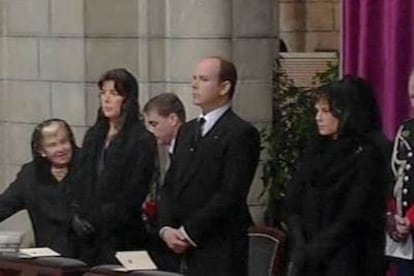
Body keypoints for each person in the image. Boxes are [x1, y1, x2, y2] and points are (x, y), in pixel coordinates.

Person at [158, 56, 261, 276]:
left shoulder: (241, 133)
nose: (194, 85)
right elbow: (170, 184)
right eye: (194, 78)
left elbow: (230, 193)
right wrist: (166, 229)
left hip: (218, 246)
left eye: (203, 79)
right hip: (177, 248)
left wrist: (189, 232)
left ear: (224, 87)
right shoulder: (187, 130)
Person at [286, 77, 388, 276]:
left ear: (347, 112)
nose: (318, 117)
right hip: (307, 255)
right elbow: (293, 201)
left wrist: (318, 249)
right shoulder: (314, 150)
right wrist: (300, 244)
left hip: (351, 258)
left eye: (326, 111)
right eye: (317, 110)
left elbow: (354, 214)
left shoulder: (368, 152)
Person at [72, 68, 157, 265]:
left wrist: (99, 218)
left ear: (127, 99)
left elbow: (134, 192)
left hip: (122, 235)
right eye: (103, 93)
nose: (106, 99)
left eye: (114, 93)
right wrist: (76, 214)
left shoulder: (142, 140)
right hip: (88, 238)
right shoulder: (93, 135)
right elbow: (80, 179)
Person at [0, 118, 78, 257]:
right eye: (52, 145)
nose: (60, 149)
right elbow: (4, 205)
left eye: (64, 142)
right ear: (41, 150)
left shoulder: (91, 167)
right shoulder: (30, 175)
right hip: (49, 262)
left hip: (90, 260)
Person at [143, 92, 186, 272]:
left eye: (154, 124)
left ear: (173, 119)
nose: (151, 131)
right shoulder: (172, 152)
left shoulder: (189, 150)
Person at [386, 70, 414, 275]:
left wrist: (411, 218)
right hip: (407, 235)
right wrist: (395, 217)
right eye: (412, 97)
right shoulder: (407, 130)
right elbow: (396, 178)